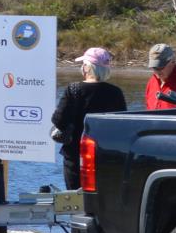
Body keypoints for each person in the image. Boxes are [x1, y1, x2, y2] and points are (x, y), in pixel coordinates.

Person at [51, 47, 127, 189]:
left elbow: (58, 121)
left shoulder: (73, 89)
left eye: (83, 64)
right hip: (105, 156)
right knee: (101, 202)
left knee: (76, 202)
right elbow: (123, 127)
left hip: (75, 155)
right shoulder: (116, 93)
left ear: (87, 68)